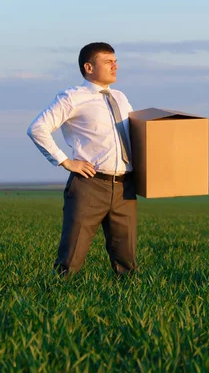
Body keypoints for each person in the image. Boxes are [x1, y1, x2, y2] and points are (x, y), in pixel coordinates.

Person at [27, 42, 137, 276]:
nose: (115, 66)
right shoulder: (72, 97)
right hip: (89, 185)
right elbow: (38, 128)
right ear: (89, 67)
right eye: (108, 62)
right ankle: (54, 305)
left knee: (126, 261)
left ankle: (128, 307)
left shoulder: (120, 97)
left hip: (124, 187)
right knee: (71, 258)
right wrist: (65, 161)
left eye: (115, 61)